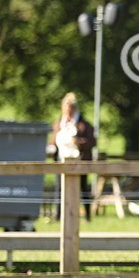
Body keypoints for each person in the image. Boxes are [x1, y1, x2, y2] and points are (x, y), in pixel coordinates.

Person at [50, 92, 96, 220]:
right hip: (61, 160)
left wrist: (78, 142)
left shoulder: (84, 125)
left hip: (79, 161)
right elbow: (53, 141)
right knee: (59, 189)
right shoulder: (59, 124)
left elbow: (92, 142)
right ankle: (58, 215)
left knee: (83, 189)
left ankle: (87, 216)